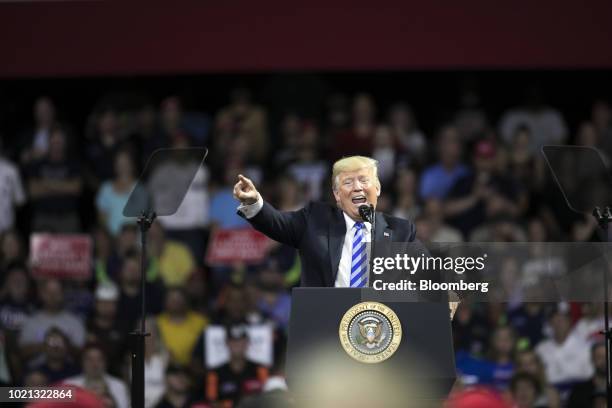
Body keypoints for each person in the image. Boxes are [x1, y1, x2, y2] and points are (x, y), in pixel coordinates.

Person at [233, 155, 415, 288]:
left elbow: (426, 280)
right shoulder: (315, 220)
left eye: (364, 180)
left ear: (377, 188)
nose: (357, 187)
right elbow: (277, 222)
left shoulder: (402, 231)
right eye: (348, 183)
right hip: (324, 326)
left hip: (380, 329)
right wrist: (254, 202)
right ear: (337, 194)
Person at [205, 324, 269, 406]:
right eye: (233, 342)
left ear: (247, 343)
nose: (237, 345)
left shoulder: (261, 370)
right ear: (226, 343)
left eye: (241, 341)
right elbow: (211, 402)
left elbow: (269, 397)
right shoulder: (214, 373)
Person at [64, 342, 129, 408]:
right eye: (89, 359)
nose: (95, 364)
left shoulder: (119, 385)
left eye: (99, 359)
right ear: (82, 362)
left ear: (105, 362)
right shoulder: (68, 384)